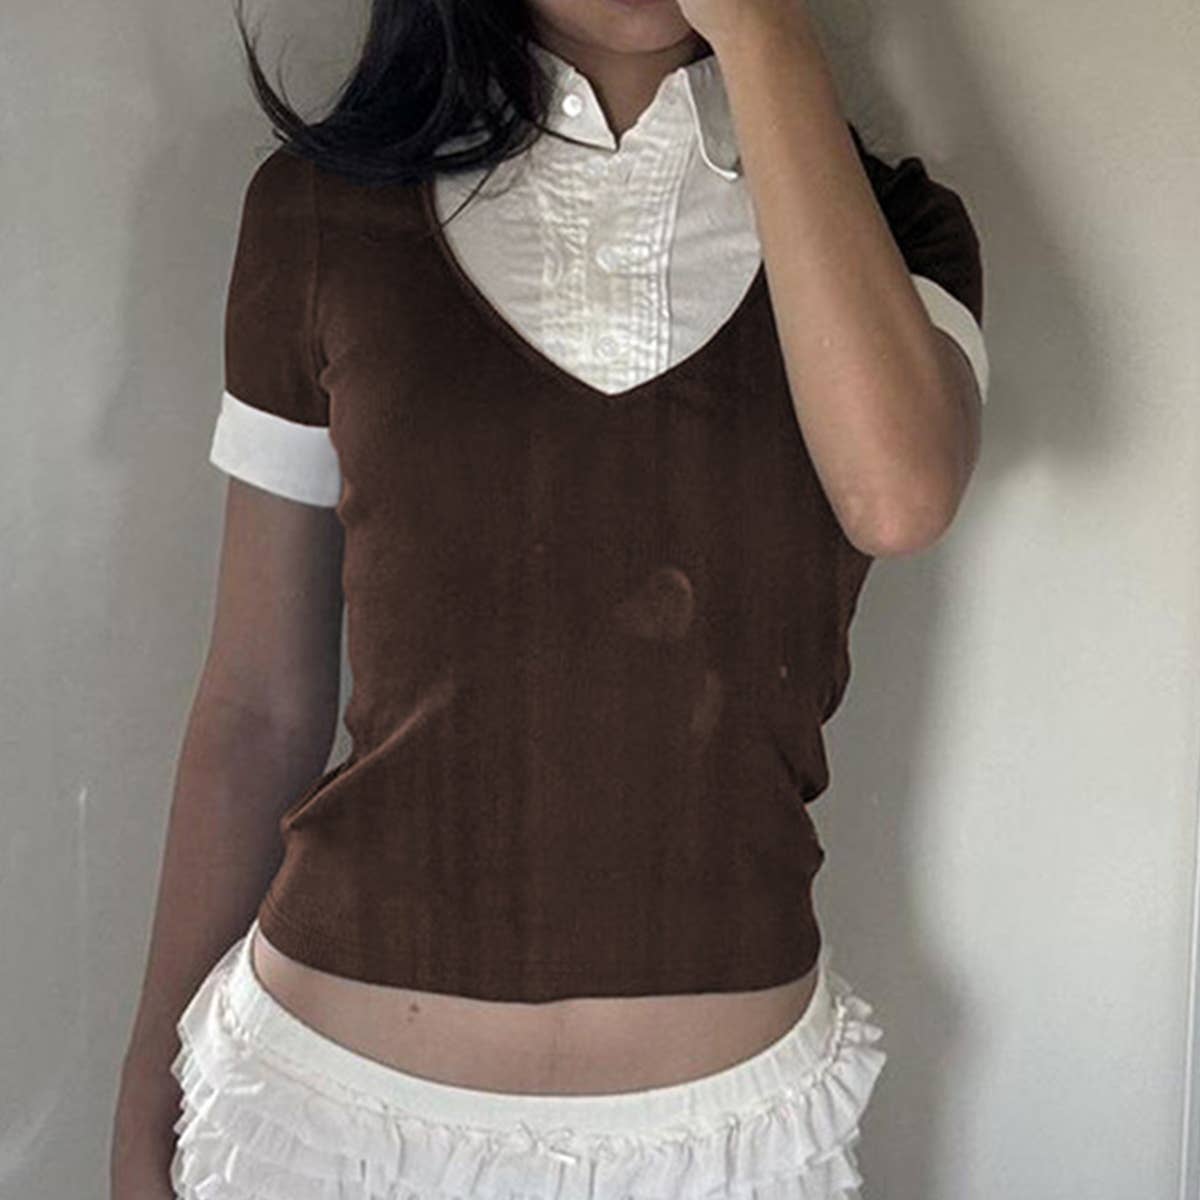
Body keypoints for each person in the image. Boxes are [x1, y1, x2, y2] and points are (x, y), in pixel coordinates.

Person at [111, 0, 988, 1194]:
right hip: (321, 1121)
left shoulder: (895, 235)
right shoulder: (321, 213)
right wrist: (144, 1088)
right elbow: (259, 706)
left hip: (723, 1143)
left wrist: (767, 34)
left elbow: (898, 498)